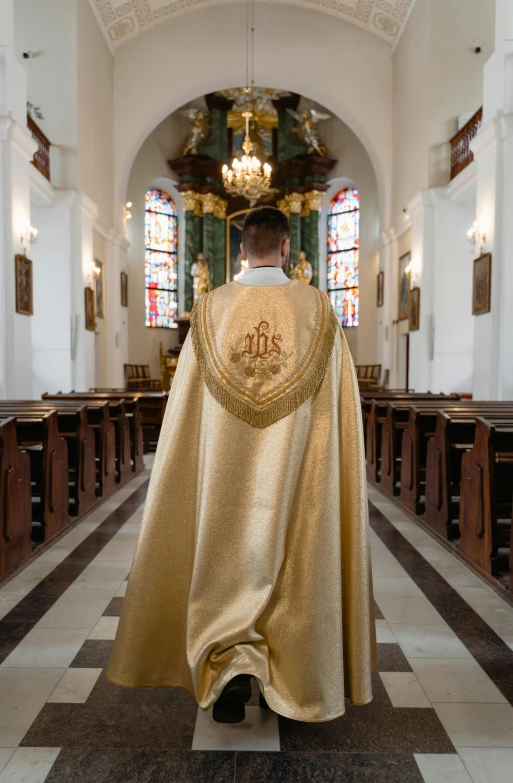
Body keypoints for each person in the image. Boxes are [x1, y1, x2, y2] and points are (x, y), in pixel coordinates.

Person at [107, 206, 377, 724]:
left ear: (240, 250)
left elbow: (187, 414)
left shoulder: (209, 310)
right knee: (297, 546)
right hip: (298, 475)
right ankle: (295, 670)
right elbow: (338, 412)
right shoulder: (318, 310)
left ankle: (226, 663)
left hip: (221, 480)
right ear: (284, 248)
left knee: (223, 549)